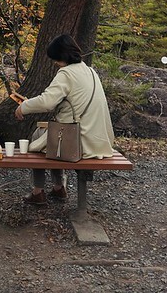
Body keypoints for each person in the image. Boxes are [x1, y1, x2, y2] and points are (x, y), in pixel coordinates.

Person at [14, 34, 114, 205]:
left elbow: (47, 102)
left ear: (61, 56)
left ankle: (38, 192)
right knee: (53, 135)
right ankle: (58, 188)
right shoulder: (90, 71)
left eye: (55, 59)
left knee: (39, 135)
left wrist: (23, 106)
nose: (55, 63)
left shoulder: (67, 73)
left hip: (79, 141)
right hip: (98, 140)